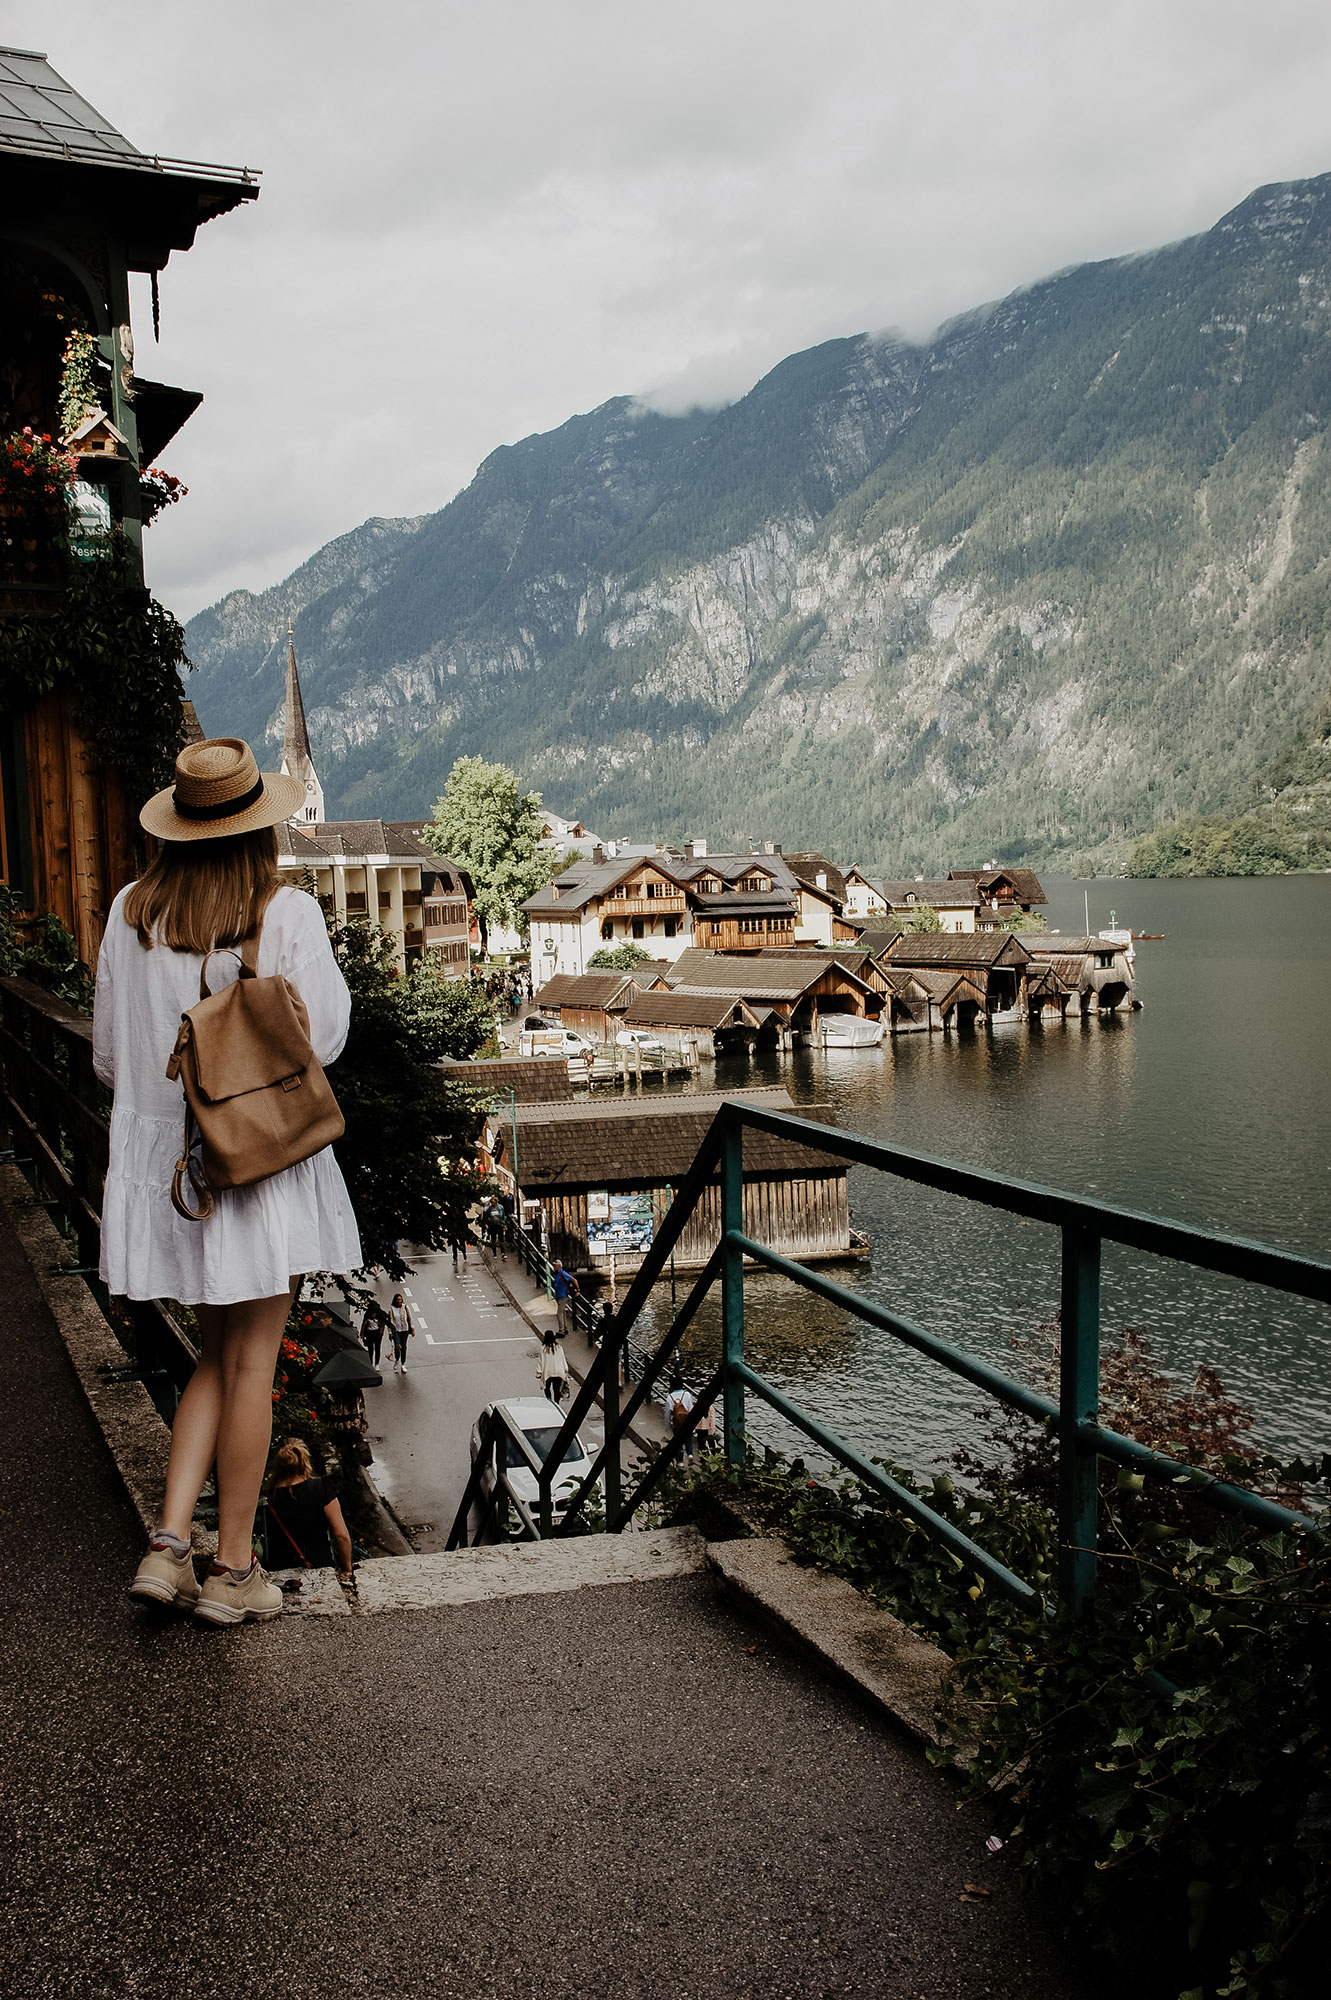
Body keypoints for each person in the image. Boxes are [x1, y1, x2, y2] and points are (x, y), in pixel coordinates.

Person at [103, 738, 361, 1627]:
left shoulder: (129, 912)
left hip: (172, 1175)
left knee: (213, 1356)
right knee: (254, 1362)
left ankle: (168, 1543)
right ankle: (235, 1565)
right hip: (256, 1167)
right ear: (259, 828)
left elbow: (108, 1060)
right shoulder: (279, 912)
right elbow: (321, 1039)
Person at [265, 1437, 353, 1576]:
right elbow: (341, 1535)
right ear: (304, 1460)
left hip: (280, 1570)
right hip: (319, 1566)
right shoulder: (321, 1487)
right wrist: (347, 1569)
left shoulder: (268, 1495)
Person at [666, 1372, 697, 1460]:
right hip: (686, 1420)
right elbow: (690, 1408)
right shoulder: (687, 1394)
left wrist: (668, 1426)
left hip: (676, 1422)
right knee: (688, 1438)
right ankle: (690, 1453)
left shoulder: (670, 1397)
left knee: (678, 1441)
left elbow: (668, 1413)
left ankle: (680, 1461)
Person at [537, 1329, 569, 1405]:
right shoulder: (559, 1347)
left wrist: (539, 1372)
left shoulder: (543, 1348)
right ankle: (557, 1404)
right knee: (556, 1389)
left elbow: (541, 1361)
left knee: (547, 1388)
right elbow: (563, 1359)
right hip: (558, 1372)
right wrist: (565, 1369)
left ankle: (549, 1401)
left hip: (548, 1372)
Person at [551, 1259, 579, 1339]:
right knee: (562, 1312)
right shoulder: (557, 1273)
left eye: (555, 1265)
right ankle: (565, 1328)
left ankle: (561, 1331)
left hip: (563, 1296)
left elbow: (574, 1280)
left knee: (559, 1313)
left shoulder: (562, 1273)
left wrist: (578, 1290)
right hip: (559, 1295)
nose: (553, 1267)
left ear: (558, 1266)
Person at [388, 1292, 413, 1373]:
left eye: (400, 1299)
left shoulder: (405, 1307)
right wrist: (390, 1332)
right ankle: (397, 1359)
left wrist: (412, 1328)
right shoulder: (391, 1309)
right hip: (396, 1330)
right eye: (397, 1300)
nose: (399, 1301)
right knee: (397, 1345)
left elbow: (409, 1318)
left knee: (404, 1347)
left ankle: (403, 1364)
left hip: (404, 1330)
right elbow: (390, 1321)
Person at [361, 1300, 385, 1368]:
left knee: (377, 1348)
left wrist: (381, 1333)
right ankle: (370, 1363)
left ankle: (377, 1364)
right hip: (369, 1333)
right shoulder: (367, 1315)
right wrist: (362, 1334)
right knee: (370, 1349)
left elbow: (382, 1325)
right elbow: (364, 1325)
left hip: (377, 1333)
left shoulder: (379, 1315)